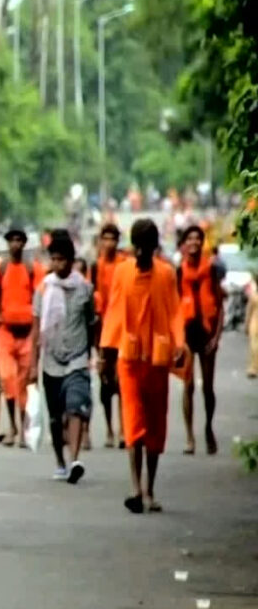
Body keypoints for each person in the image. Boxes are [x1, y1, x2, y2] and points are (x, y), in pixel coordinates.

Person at [101, 219, 184, 514]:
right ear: (134, 246)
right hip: (129, 359)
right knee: (134, 423)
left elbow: (175, 311)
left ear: (154, 247)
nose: (142, 252)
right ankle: (136, 488)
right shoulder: (123, 273)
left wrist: (180, 345)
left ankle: (150, 488)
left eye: (147, 247)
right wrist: (105, 354)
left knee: (155, 426)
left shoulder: (166, 274)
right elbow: (113, 312)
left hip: (158, 360)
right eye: (139, 247)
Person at [29, 231, 95, 483]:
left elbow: (91, 323)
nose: (58, 264)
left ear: (71, 260)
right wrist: (33, 364)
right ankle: (60, 460)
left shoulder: (85, 289)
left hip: (77, 358)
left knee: (75, 406)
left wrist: (93, 352)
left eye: (62, 259)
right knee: (56, 418)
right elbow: (36, 328)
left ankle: (75, 459)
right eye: (54, 259)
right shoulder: (43, 289)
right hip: (51, 361)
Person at [0, 228, 44, 446]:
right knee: (8, 379)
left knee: (24, 384)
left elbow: (39, 300)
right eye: (12, 240)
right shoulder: (1, 268)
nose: (15, 244)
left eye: (19, 240)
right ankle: (12, 426)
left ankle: (23, 430)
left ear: (24, 244)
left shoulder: (32, 269)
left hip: (27, 333)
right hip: (5, 332)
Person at [177, 225, 225, 455]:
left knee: (207, 388)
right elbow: (174, 309)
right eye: (190, 238)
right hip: (187, 334)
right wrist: (178, 340)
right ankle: (189, 437)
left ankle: (208, 428)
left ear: (202, 243)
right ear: (185, 244)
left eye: (198, 238)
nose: (194, 242)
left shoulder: (211, 269)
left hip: (207, 332)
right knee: (187, 387)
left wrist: (216, 337)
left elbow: (220, 305)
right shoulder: (179, 272)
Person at [92, 224, 127, 449]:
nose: (109, 243)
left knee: (122, 380)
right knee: (105, 381)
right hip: (103, 329)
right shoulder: (96, 266)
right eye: (105, 239)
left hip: (122, 328)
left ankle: (124, 429)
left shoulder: (124, 265)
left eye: (113, 239)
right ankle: (109, 429)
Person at [247, 272, 258, 379]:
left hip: (254, 323)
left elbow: (248, 312)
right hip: (254, 323)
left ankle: (254, 368)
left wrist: (246, 325)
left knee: (254, 346)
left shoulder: (254, 296)